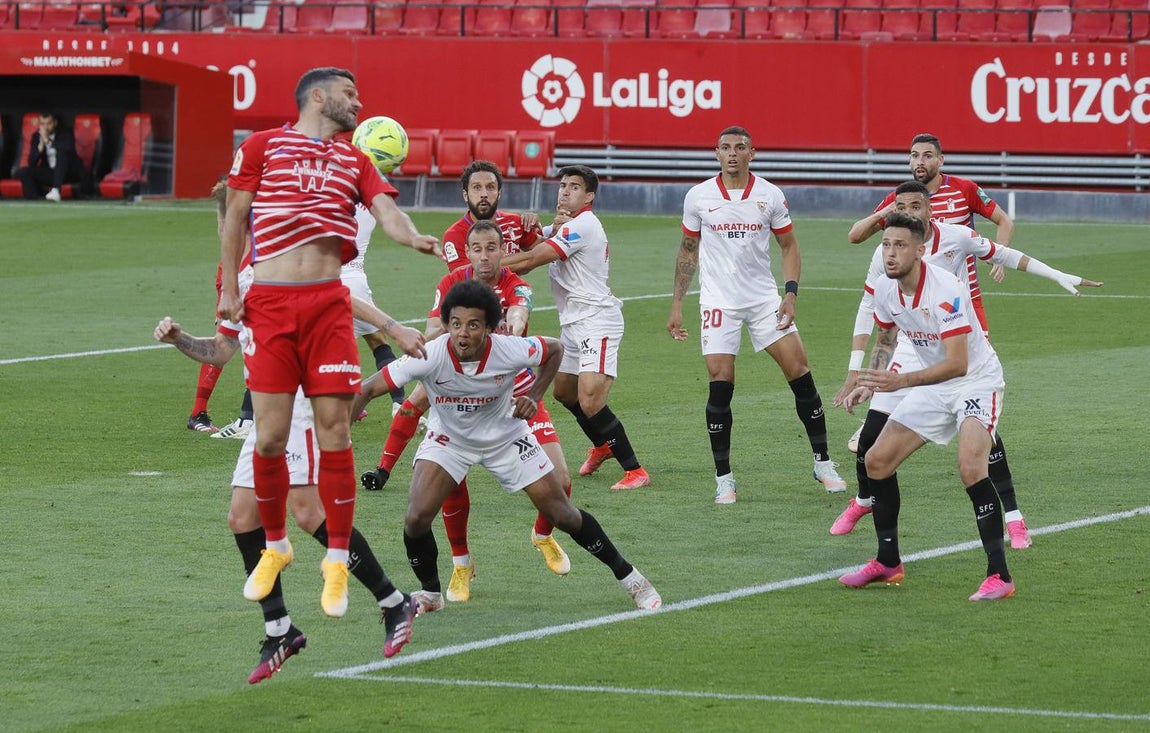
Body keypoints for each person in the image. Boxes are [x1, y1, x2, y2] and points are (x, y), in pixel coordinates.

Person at [218, 66, 440, 619]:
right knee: (267, 436)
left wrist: (409, 235)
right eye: (349, 94)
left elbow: (386, 208)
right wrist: (227, 287)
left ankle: (337, 561)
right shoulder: (263, 147)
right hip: (269, 304)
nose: (358, 103)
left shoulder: (354, 159)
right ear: (318, 97)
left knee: (336, 430)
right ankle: (276, 548)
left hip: (325, 304)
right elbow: (234, 217)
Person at [154, 301, 423, 681]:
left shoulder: (285, 262)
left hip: (299, 407)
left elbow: (343, 296)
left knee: (308, 513)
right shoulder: (240, 283)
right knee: (242, 517)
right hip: (267, 412)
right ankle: (280, 629)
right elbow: (220, 350)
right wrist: (179, 339)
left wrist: (395, 330)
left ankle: (394, 602)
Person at [837, 213, 1100, 600]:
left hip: (975, 380)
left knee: (971, 467)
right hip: (934, 382)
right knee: (876, 461)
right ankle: (888, 563)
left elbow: (958, 363)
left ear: (920, 251)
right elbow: (886, 338)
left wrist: (900, 382)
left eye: (900, 246)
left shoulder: (945, 288)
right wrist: (870, 380)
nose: (890, 253)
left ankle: (1000, 576)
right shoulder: (884, 288)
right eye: (886, 245)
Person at [378, 279, 661, 611]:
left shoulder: (509, 349)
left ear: (489, 329)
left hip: (506, 435)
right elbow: (369, 388)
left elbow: (554, 349)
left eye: (472, 325)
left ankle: (631, 578)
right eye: (455, 324)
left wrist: (536, 393)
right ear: (445, 325)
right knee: (416, 517)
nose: (463, 333)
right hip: (450, 439)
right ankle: (430, 593)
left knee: (563, 513)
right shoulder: (430, 354)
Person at [355, 220, 572, 606]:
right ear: (467, 251)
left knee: (562, 482)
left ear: (503, 249)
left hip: (511, 391)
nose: (485, 256)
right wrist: (435, 349)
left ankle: (542, 535)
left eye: (493, 248)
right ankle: (460, 563)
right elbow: (431, 328)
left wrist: (507, 334)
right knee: (424, 407)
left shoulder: (517, 285)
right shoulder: (452, 285)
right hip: (458, 374)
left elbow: (520, 317)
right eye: (478, 249)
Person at [667, 126, 846, 504]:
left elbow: (789, 245)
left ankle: (823, 462)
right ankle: (724, 478)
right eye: (726, 147)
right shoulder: (698, 196)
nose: (733, 153)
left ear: (753, 153)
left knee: (799, 372)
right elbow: (687, 251)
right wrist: (678, 304)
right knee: (721, 381)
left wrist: (790, 294)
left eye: (740, 147)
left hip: (764, 299)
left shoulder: (770, 195)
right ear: (716, 152)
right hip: (717, 302)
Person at [364, 159, 542, 486]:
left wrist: (540, 224)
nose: (484, 193)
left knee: (557, 474)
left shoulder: (518, 225)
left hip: (508, 367)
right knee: (419, 399)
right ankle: (383, 470)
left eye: (490, 187)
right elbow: (469, 286)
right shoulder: (454, 238)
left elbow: (541, 251)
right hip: (463, 351)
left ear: (500, 191)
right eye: (477, 188)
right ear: (465, 194)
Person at [846, 132, 1016, 451]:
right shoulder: (904, 200)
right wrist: (886, 212)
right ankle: (884, 421)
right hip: (917, 314)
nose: (919, 162)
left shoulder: (964, 189)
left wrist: (1000, 255)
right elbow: (855, 235)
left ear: (941, 160)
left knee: (970, 381)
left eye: (926, 156)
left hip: (962, 309)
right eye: (914, 156)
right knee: (909, 371)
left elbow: (1003, 221)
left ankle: (982, 445)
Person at [502, 165, 651, 491]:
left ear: (589, 196)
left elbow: (529, 261)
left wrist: (482, 263)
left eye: (574, 187)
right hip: (572, 323)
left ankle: (635, 471)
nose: (565, 191)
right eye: (563, 186)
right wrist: (527, 224)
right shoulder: (563, 226)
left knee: (591, 400)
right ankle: (602, 445)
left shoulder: (584, 226)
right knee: (564, 392)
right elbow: (526, 245)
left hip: (598, 321)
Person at [18, 112, 82, 202]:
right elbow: (31, 162)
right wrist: (40, 147)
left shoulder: (65, 133)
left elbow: (67, 149)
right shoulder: (36, 136)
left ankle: (56, 190)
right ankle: (31, 200)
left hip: (69, 172)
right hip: (51, 173)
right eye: (43, 124)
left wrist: (48, 141)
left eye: (49, 123)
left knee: (61, 153)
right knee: (24, 172)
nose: (46, 127)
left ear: (55, 123)